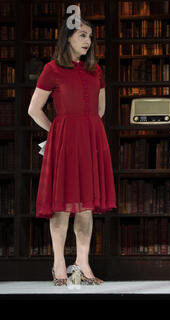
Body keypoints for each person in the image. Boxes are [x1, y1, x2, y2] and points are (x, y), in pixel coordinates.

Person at [28, 17, 116, 286]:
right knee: (62, 206)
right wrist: (55, 131)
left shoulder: (96, 70)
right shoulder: (52, 69)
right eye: (82, 35)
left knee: (86, 206)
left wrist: (88, 130)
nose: (88, 41)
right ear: (66, 38)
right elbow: (33, 109)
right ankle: (58, 264)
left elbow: (100, 110)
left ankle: (83, 263)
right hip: (65, 142)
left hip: (90, 140)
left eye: (90, 36)